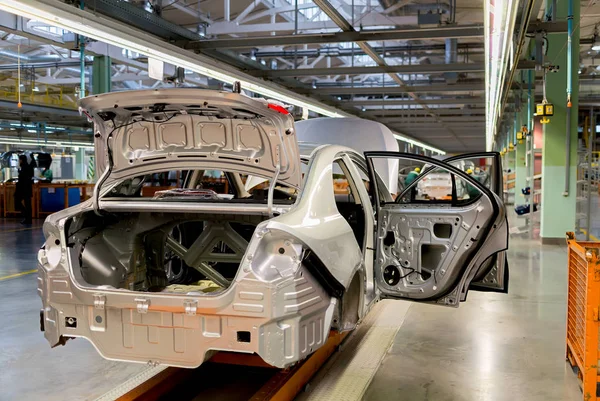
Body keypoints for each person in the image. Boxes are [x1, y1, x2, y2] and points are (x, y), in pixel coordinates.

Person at [14, 154, 33, 224]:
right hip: (27, 189)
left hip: (23, 189)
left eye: (19, 160)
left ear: (21, 160)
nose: (19, 161)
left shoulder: (24, 168)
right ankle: (28, 218)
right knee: (28, 204)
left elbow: (22, 179)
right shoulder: (28, 167)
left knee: (18, 202)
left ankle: (27, 217)